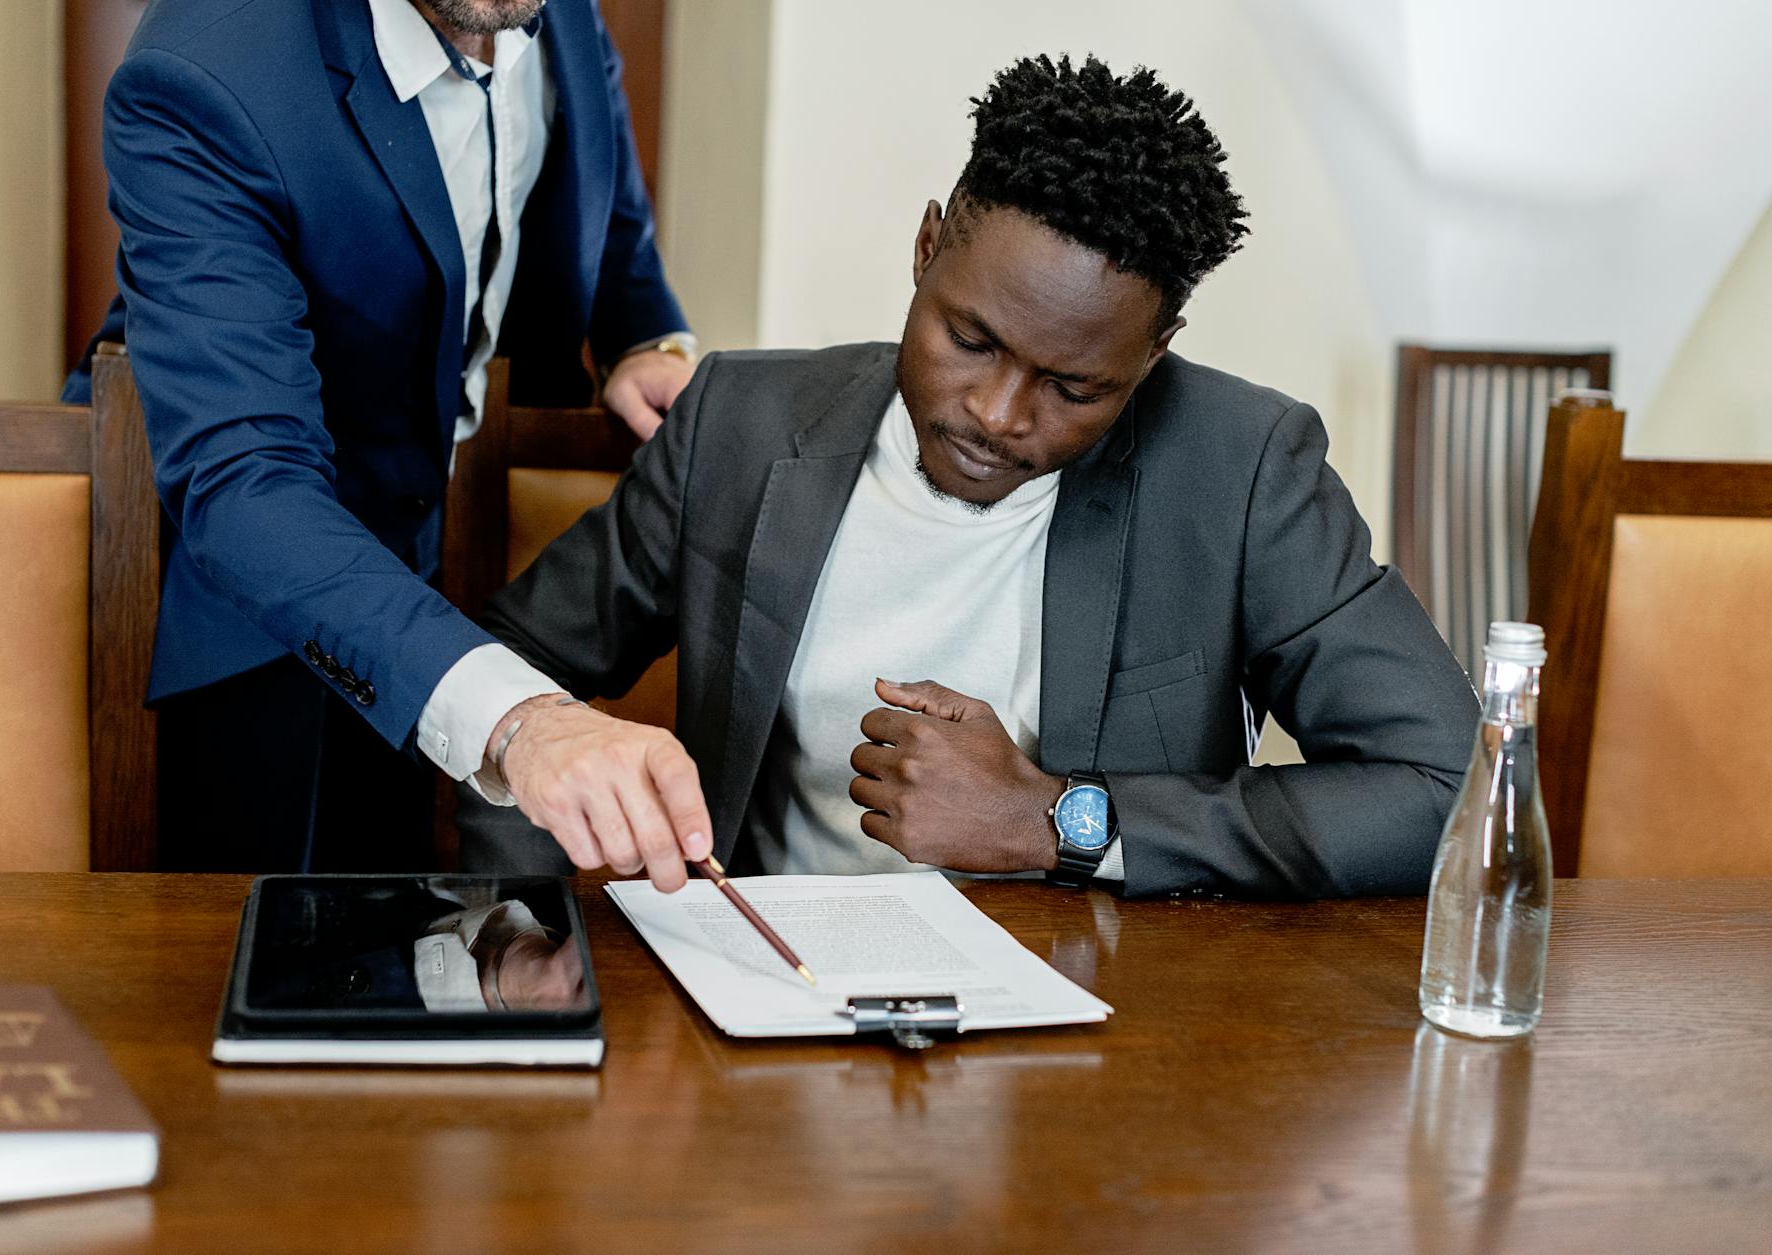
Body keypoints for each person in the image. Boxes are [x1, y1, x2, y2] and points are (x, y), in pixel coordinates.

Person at [462, 54, 1480, 899]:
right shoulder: (738, 425)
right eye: (970, 339)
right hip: (770, 1020)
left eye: (1072, 386)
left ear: (1153, 351)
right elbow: (503, 672)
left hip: (1104, 1058)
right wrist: (525, 937)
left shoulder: (1242, 468)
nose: (996, 414)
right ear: (924, 246)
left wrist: (1057, 819)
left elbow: (1442, 785)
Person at [62, 0, 712, 873]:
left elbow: (607, 210)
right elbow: (247, 477)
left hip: (459, 565)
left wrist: (643, 337)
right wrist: (518, 720)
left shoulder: (559, 16)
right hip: (252, 600)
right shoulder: (201, 72)